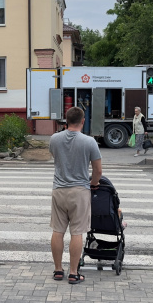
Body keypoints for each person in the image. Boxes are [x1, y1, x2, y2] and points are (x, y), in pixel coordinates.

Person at [49, 106, 102, 285]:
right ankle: (73, 273)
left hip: (58, 190)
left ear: (66, 120)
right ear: (83, 121)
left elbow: (56, 158)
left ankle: (58, 270)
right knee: (77, 232)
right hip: (79, 191)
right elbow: (98, 170)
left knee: (58, 230)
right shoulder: (89, 142)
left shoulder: (54, 139)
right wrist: (93, 184)